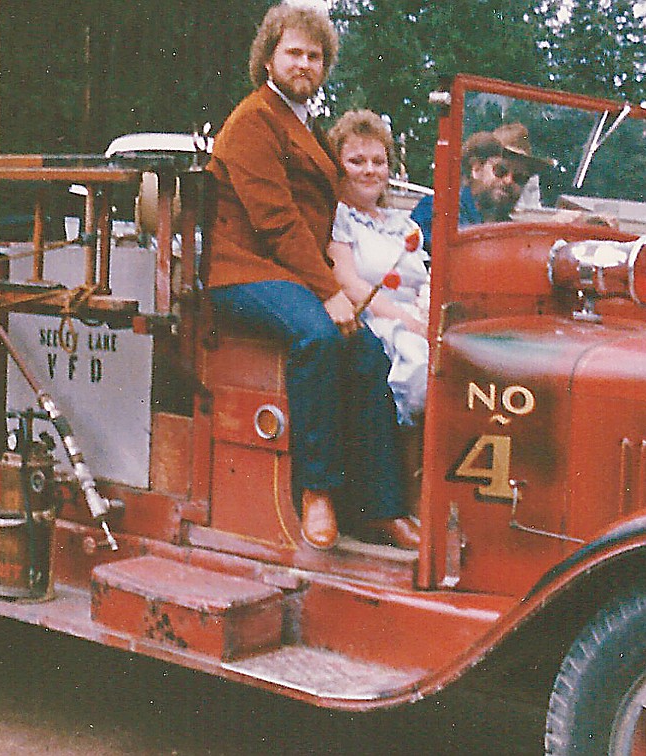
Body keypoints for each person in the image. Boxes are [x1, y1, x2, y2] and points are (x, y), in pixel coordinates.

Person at [201, 4, 419, 551]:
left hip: (290, 272)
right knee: (319, 337)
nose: (305, 63)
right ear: (269, 58)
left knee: (369, 352)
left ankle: (378, 508)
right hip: (242, 271)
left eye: (315, 56)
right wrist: (329, 291)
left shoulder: (303, 124)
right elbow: (276, 222)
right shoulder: (254, 120)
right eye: (294, 52)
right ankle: (316, 492)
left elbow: (328, 212)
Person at [326, 110, 430, 427]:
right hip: (377, 324)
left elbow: (424, 279)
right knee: (421, 366)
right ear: (338, 167)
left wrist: (429, 312)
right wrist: (412, 324)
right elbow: (349, 283)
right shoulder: (337, 217)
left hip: (418, 320)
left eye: (378, 161)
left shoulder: (404, 224)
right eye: (357, 161)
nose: (370, 171)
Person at [410, 122, 546, 251]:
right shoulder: (438, 209)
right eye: (500, 170)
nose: (509, 181)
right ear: (476, 168)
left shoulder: (511, 233)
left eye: (520, 178)